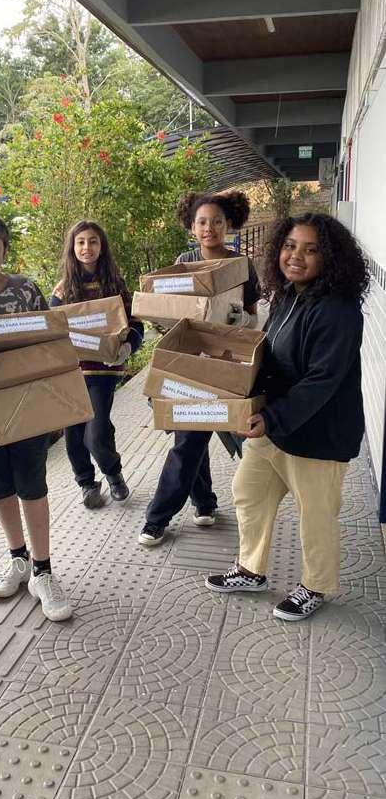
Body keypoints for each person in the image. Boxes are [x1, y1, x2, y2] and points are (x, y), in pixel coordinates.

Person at [205, 213, 369, 621]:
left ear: (330, 258)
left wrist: (272, 417)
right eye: (290, 246)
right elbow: (273, 355)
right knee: (249, 492)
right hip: (276, 427)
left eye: (311, 250)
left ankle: (316, 586)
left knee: (315, 517)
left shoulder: (339, 311)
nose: (296, 256)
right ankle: (251, 570)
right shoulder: (287, 296)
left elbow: (322, 381)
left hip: (319, 435)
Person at [0, 210, 72, 622]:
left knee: (32, 486)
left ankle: (43, 570)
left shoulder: (24, 290)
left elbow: (48, 340)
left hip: (26, 408)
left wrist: (53, 401)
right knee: (0, 488)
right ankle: (18, 559)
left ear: (5, 249)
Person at [139, 191, 259, 546]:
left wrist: (236, 321)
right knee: (191, 436)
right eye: (202, 222)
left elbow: (253, 315)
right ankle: (188, 508)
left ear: (229, 224)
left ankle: (174, 512)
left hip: (225, 362)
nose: (210, 228)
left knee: (191, 436)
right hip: (189, 362)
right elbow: (167, 310)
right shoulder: (184, 263)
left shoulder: (241, 265)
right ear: (192, 227)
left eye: (217, 222)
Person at [50, 220, 144, 508]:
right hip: (70, 373)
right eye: (80, 242)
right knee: (74, 434)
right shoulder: (62, 291)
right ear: (72, 248)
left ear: (102, 246)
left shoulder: (115, 285)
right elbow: (51, 332)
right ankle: (87, 484)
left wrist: (128, 347)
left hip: (103, 371)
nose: (86, 247)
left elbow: (136, 324)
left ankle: (113, 473)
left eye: (92, 241)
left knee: (97, 432)